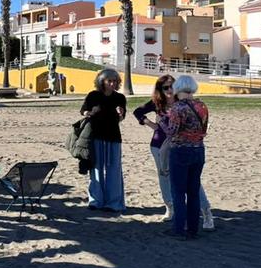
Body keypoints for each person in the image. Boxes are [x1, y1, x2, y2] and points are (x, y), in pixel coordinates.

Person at [133, 75, 214, 227]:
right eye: (165, 87)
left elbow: (177, 129)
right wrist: (150, 124)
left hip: (180, 147)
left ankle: (206, 211)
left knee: (191, 183)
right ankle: (170, 208)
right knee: (164, 177)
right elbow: (137, 111)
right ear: (160, 89)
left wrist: (162, 123)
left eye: (172, 86)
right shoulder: (157, 103)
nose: (169, 90)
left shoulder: (182, 103)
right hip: (159, 145)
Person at [163, 75, 211, 239]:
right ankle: (193, 228)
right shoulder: (202, 105)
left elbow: (172, 132)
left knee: (178, 191)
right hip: (199, 149)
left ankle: (179, 229)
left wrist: (162, 122)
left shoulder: (178, 108)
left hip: (181, 151)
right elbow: (204, 128)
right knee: (193, 191)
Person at [80, 69, 126, 212]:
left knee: (114, 169)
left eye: (115, 81)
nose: (112, 83)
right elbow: (83, 111)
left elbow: (121, 118)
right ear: (102, 81)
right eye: (109, 81)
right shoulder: (93, 95)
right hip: (96, 136)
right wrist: (90, 112)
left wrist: (121, 113)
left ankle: (113, 202)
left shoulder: (120, 98)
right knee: (96, 169)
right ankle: (95, 201)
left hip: (113, 136)